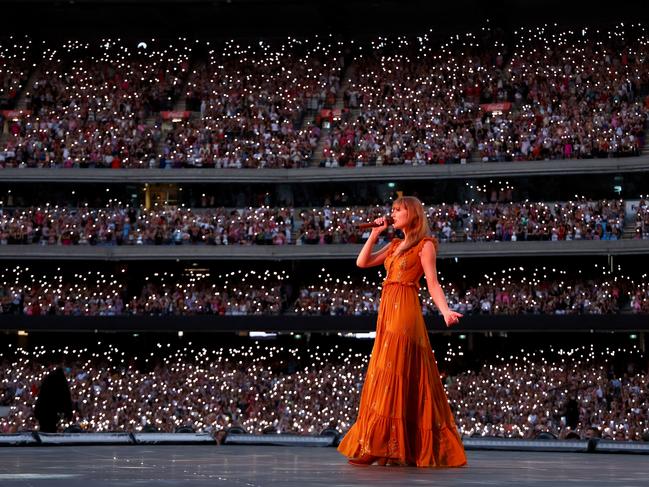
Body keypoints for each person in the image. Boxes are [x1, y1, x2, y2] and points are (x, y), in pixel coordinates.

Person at [337, 195, 467, 467]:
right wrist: (374, 234)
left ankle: (387, 445)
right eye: (392, 210)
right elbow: (362, 262)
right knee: (387, 371)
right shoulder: (394, 244)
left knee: (392, 370)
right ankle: (384, 444)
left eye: (399, 210)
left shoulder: (425, 244)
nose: (393, 214)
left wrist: (444, 310)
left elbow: (432, 282)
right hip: (388, 309)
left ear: (414, 214)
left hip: (406, 309)